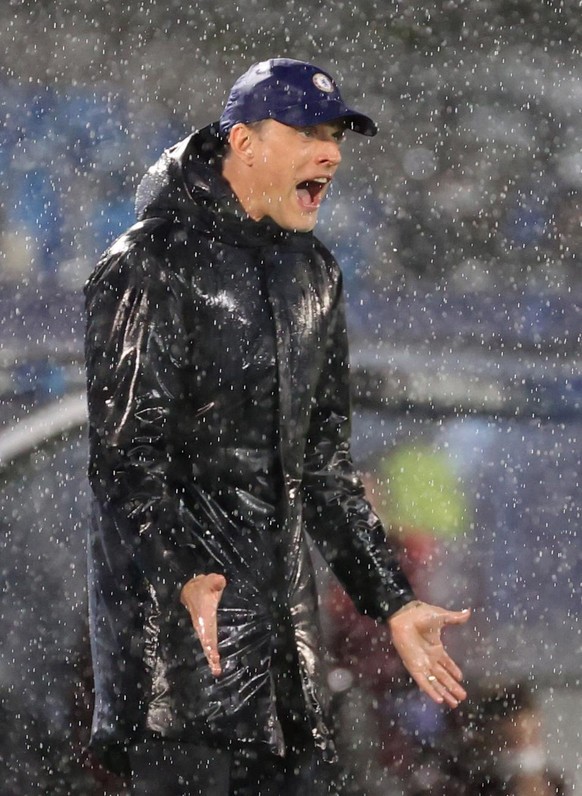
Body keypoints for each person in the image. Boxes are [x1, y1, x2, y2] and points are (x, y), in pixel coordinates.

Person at [84, 58, 471, 796]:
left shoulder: (315, 275)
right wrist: (183, 571)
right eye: (307, 132)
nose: (329, 152)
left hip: (289, 684)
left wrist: (390, 598)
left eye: (335, 135)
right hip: (180, 680)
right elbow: (124, 459)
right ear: (244, 143)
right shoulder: (147, 264)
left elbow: (323, 469)